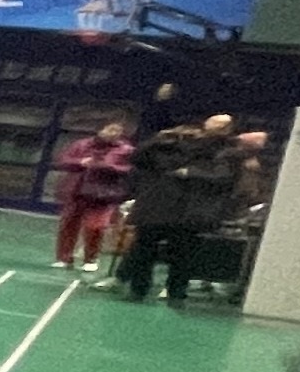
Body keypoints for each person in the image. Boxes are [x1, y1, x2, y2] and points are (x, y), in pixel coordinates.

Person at [118, 114, 254, 302]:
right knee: (143, 250)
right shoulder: (165, 147)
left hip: (189, 211)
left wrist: (190, 173)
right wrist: (157, 141)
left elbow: (224, 177)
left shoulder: (226, 151)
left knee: (182, 254)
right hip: (156, 205)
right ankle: (138, 289)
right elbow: (138, 158)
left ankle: (175, 293)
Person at [55, 120, 135, 278]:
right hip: (77, 190)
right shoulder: (81, 144)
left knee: (95, 227)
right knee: (68, 224)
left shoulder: (126, 150)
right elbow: (64, 161)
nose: (113, 133)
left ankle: (91, 259)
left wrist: (109, 167)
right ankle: (64, 258)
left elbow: (130, 169)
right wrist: (81, 162)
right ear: (101, 130)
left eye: (118, 131)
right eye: (110, 129)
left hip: (103, 194)